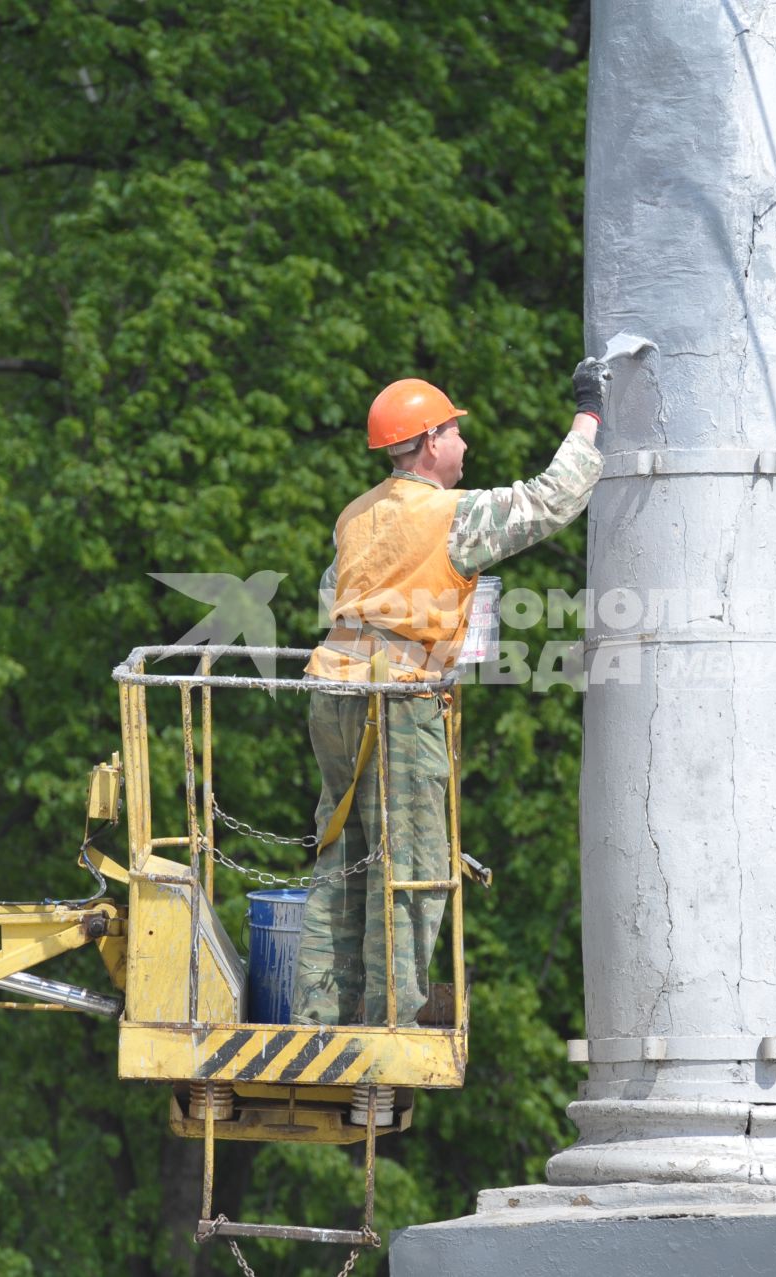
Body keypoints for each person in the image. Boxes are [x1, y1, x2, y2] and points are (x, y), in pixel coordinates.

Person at [290, 360, 610, 1027]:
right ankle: (389, 1026)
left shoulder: (356, 516)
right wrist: (590, 415)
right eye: (457, 431)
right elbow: (550, 499)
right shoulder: (447, 515)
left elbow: (336, 593)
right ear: (430, 441)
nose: (465, 444)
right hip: (398, 699)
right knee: (408, 862)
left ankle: (318, 1015)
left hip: (333, 691)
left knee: (341, 848)